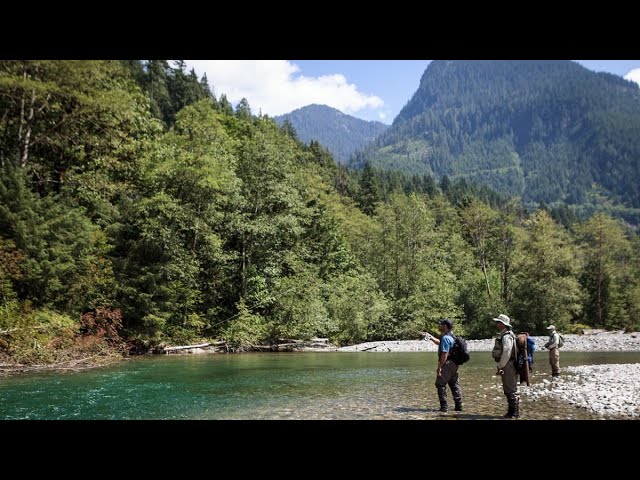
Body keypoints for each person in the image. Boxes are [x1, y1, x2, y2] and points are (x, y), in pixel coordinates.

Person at [422, 319, 463, 412]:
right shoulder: (451, 336)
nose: (439, 325)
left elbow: (444, 353)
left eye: (440, 324)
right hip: (455, 364)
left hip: (447, 363)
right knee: (454, 384)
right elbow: (440, 343)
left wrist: (439, 367)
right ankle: (459, 407)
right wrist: (431, 337)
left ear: (445, 326)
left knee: (440, 384)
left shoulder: (445, 338)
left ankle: (444, 408)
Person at [491, 314, 520, 418]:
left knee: (510, 389)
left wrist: (500, 365)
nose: (496, 324)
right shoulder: (506, 334)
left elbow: (507, 351)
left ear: (503, 324)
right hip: (508, 364)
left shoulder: (507, 336)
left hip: (508, 364)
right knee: (509, 388)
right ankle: (512, 413)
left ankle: (514, 413)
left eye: (498, 322)